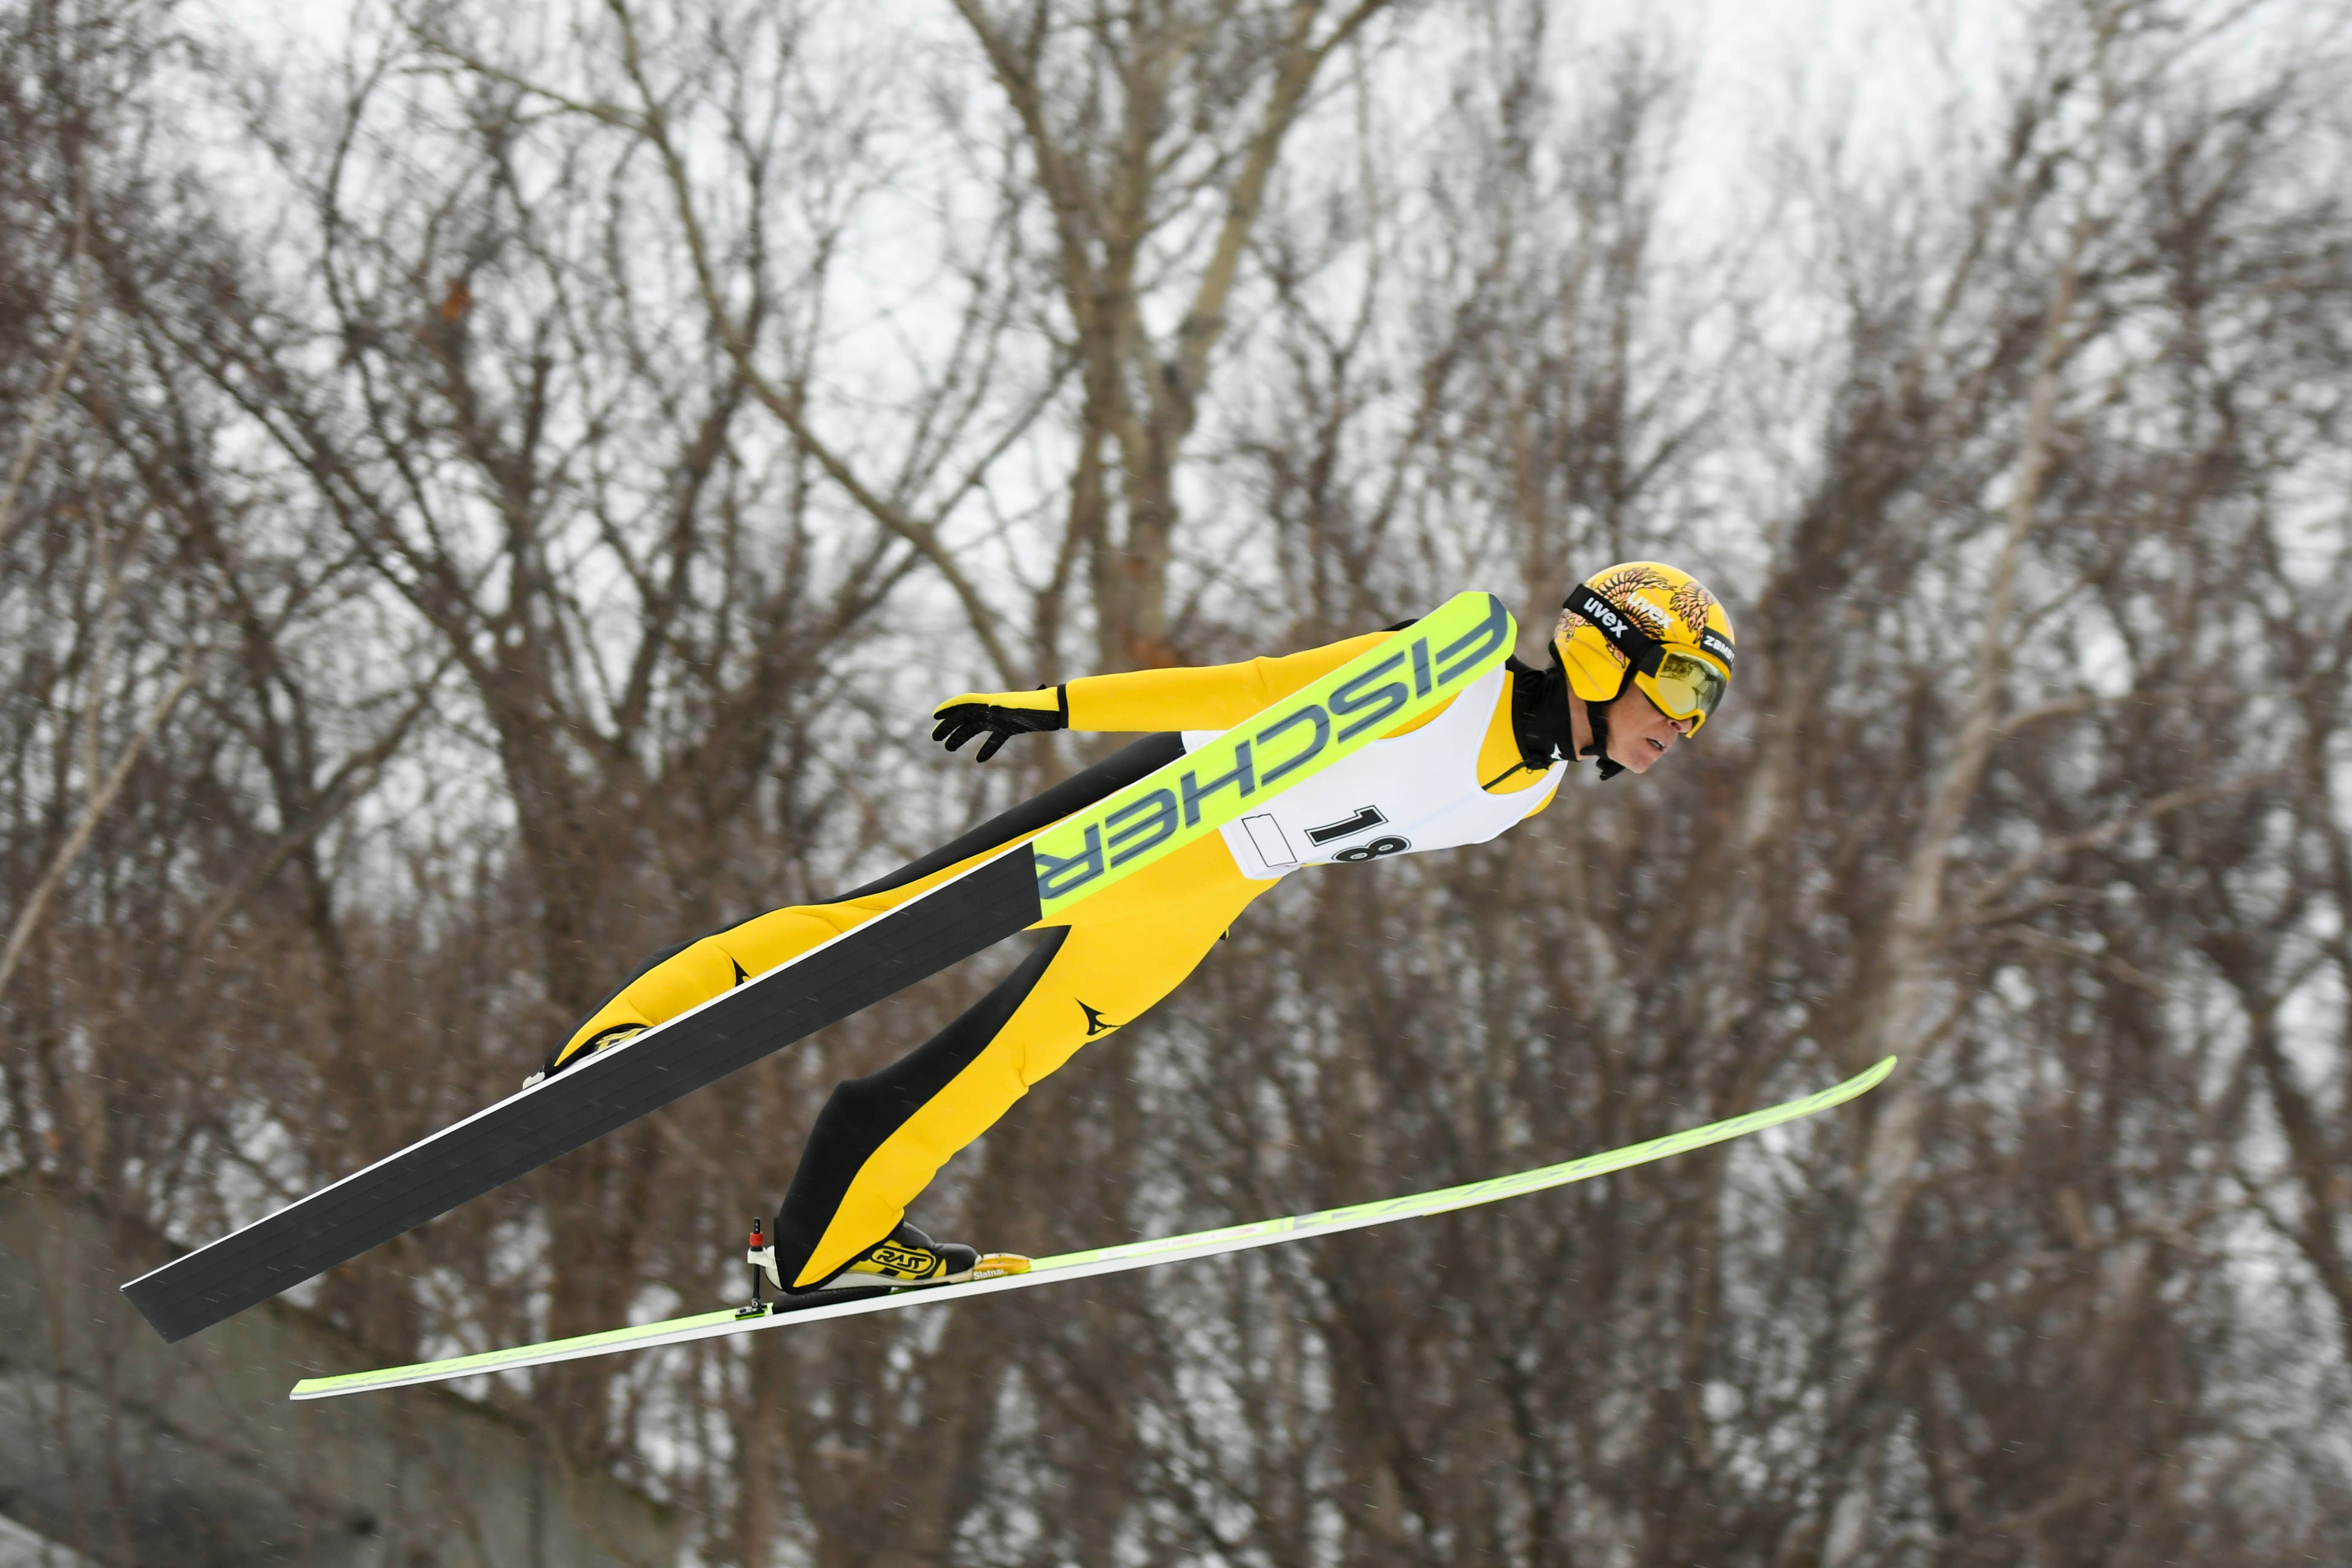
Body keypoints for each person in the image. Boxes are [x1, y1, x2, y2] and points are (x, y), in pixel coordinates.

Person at [540, 563, 1736, 1297]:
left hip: (1214, 887)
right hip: (1173, 801)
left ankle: (823, 1243)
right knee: (882, 924)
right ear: (1606, 647)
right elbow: (1254, 691)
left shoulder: (1529, 788)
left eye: (1702, 709)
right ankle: (627, 1029)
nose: (1682, 727)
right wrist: (1059, 706)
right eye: (1681, 691)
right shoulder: (1457, 660)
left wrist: (1205, 906)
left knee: (1011, 1054)